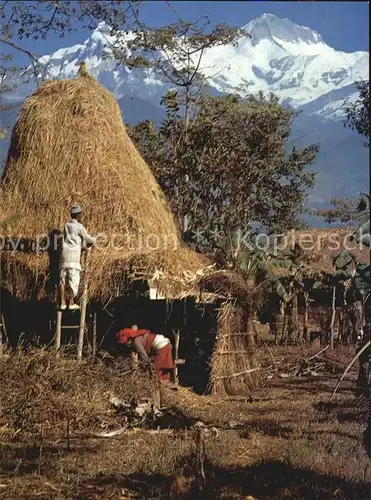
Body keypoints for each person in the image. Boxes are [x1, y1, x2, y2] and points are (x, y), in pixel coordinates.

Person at [59, 204, 96, 310]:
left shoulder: (66, 225)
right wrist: (96, 240)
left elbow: (71, 239)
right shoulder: (79, 227)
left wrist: (81, 246)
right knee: (73, 280)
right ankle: (71, 302)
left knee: (62, 279)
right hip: (73, 258)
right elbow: (89, 239)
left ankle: (61, 302)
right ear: (79, 215)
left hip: (64, 255)